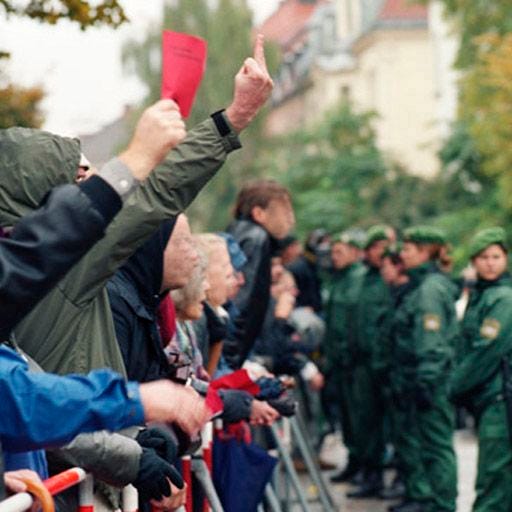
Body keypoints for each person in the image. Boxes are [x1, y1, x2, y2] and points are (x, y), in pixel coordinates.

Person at [5, 37, 272, 509]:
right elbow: (157, 195)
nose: (95, 193)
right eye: (79, 182)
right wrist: (231, 120)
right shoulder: (61, 262)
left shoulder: (37, 262)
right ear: (39, 197)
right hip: (73, 485)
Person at [388, 226, 458, 512]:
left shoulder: (430, 289)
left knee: (436, 447)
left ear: (425, 252)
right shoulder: (421, 285)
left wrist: (427, 380)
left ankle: (442, 505)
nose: (402, 254)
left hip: (432, 380)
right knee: (425, 444)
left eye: (408, 249)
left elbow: (431, 341)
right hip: (418, 378)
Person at [450, 227, 512, 512]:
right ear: (473, 262)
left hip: (500, 400)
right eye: (483, 257)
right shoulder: (481, 296)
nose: (490, 263)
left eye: (496, 257)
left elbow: (485, 352)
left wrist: (454, 387)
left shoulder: (503, 298)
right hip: (488, 398)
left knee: (493, 475)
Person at [223, 179, 295, 370]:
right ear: (259, 213)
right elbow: (239, 306)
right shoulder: (255, 239)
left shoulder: (238, 233)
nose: (291, 220)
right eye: (286, 212)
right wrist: (232, 365)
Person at [348, 225, 393, 498]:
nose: (381, 252)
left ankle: (401, 480)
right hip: (363, 363)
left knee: (394, 425)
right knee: (366, 421)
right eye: (376, 247)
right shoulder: (362, 279)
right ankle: (372, 475)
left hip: (385, 363)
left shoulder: (392, 278)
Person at [323, 232, 366, 484]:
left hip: (355, 360)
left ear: (354, 252)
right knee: (347, 416)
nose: (334, 257)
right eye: (333, 252)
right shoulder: (338, 279)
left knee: (361, 416)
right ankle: (354, 460)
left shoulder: (359, 279)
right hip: (339, 360)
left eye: (340, 252)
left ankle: (368, 466)